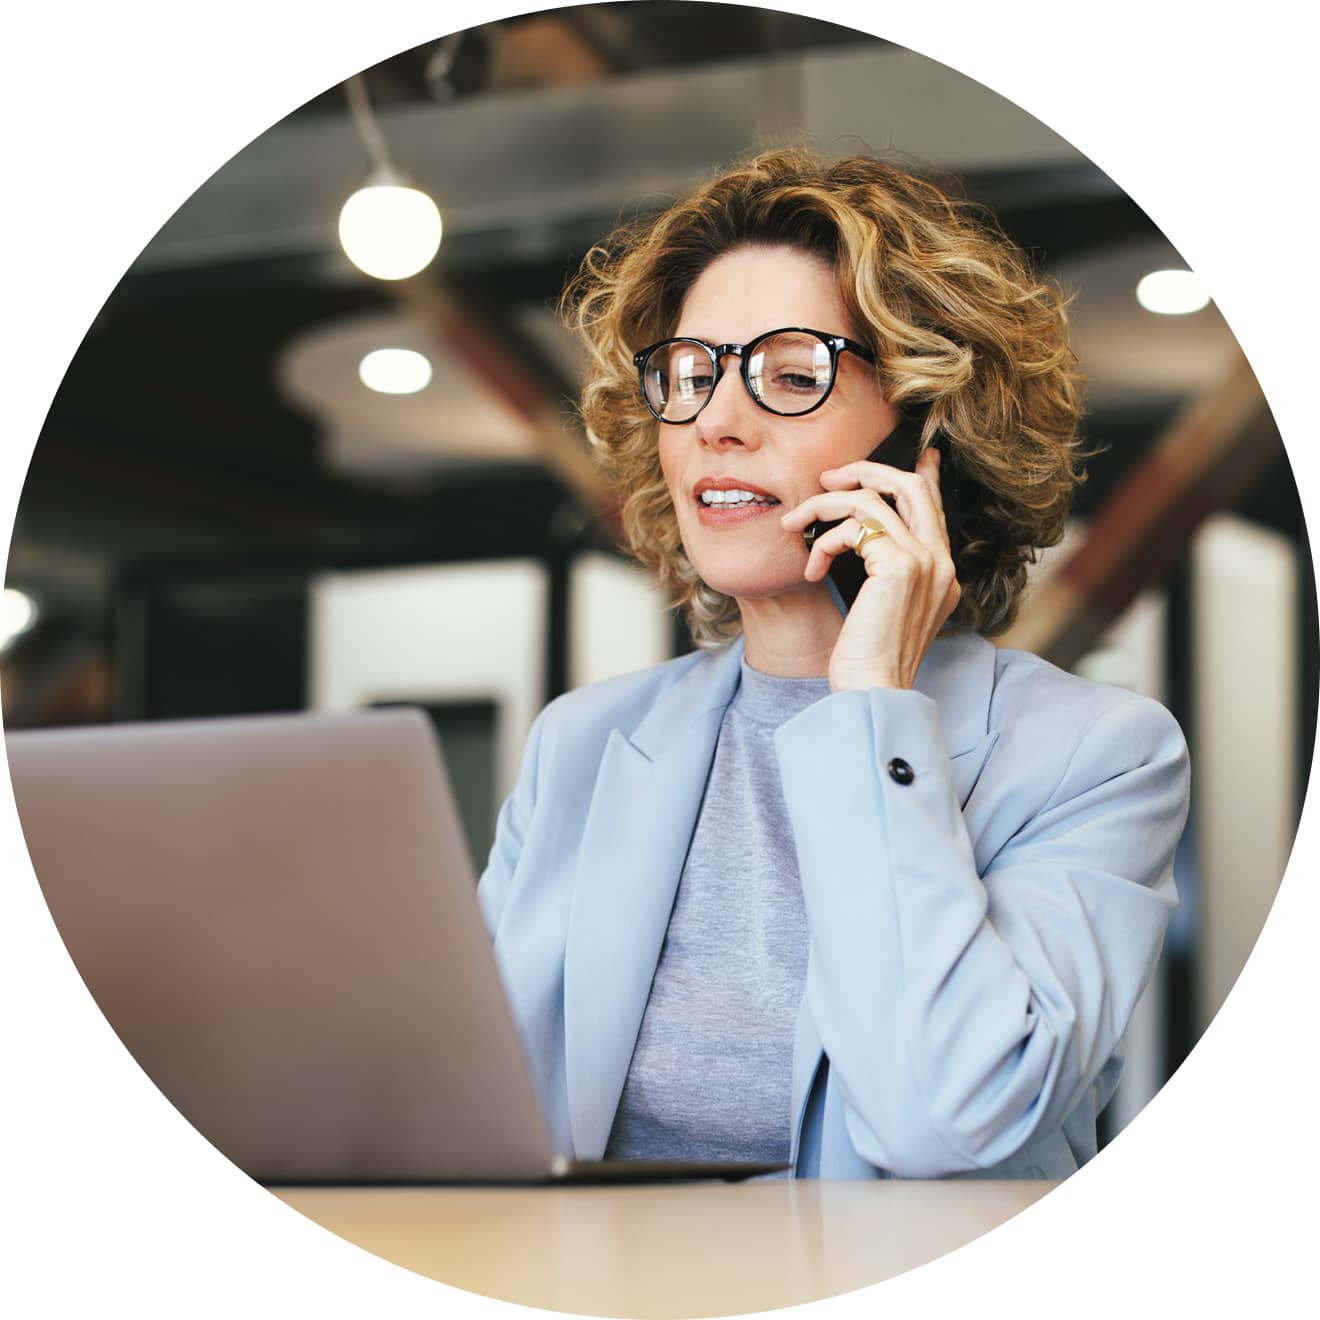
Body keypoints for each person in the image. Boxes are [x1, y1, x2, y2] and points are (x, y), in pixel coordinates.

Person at [476, 147, 1190, 1180]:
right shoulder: (579, 746)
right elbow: (470, 1107)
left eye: (792, 376)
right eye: (689, 375)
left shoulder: (1099, 756)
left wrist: (872, 714)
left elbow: (944, 1125)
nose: (717, 422)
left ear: (925, 439)